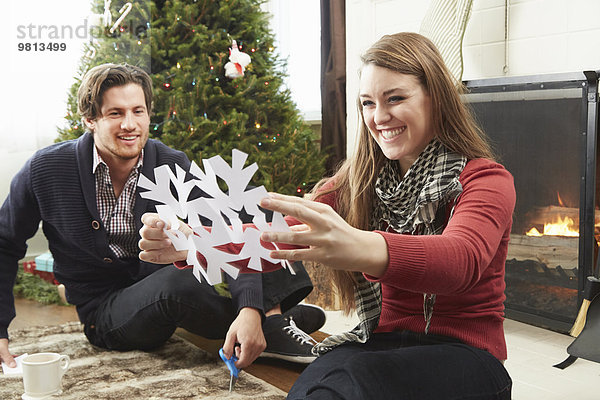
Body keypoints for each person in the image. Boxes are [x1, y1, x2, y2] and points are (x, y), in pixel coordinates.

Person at [0, 63, 325, 371]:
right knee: (178, 281)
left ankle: (268, 319)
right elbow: (5, 242)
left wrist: (249, 307)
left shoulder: (171, 164)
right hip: (106, 312)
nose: (130, 124)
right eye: (116, 113)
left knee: (259, 214)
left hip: (168, 287)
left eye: (137, 111)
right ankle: (276, 320)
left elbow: (227, 230)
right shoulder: (46, 169)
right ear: (90, 118)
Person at [255, 32, 515, 399]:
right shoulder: (358, 181)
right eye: (367, 103)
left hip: (469, 358)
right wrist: (194, 243)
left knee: (354, 374)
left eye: (395, 98)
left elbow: (460, 260)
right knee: (323, 381)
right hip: (381, 341)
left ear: (436, 99)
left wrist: (358, 245)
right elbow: (280, 235)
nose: (378, 117)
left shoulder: (486, 179)